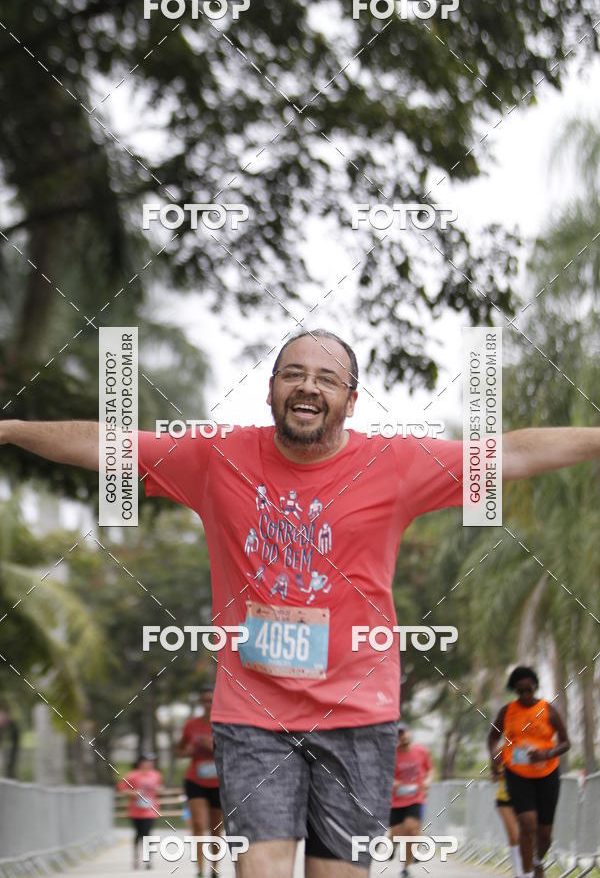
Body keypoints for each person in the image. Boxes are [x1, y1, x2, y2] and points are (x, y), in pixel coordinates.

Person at [2, 328, 598, 878]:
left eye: (327, 378)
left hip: (359, 717)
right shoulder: (216, 456)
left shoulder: (394, 464)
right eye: (293, 373)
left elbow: (510, 454)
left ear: (351, 399)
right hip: (252, 715)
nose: (308, 385)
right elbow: (109, 445)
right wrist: (9, 430)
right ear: (271, 390)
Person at [488, 666, 570, 878]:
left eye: (529, 690)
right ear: (514, 690)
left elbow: (566, 742)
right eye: (520, 691)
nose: (525, 695)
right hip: (517, 773)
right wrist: (493, 758)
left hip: (547, 774)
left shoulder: (548, 710)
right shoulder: (507, 711)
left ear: (535, 687)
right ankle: (525, 873)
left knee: (544, 834)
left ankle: (537, 860)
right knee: (527, 824)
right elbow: (492, 737)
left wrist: (546, 754)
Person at [176, 685, 222, 878]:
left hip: (219, 782)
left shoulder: (223, 723)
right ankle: (200, 870)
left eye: (210, 700)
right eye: (203, 700)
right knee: (197, 824)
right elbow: (178, 751)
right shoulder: (191, 725)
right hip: (195, 780)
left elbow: (233, 754)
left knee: (216, 829)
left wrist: (212, 747)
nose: (206, 703)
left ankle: (214, 868)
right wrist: (191, 750)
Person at [388, 724, 433, 878]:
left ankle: (405, 868)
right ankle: (392, 845)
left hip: (416, 798)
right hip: (397, 800)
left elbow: (430, 770)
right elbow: (386, 775)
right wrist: (394, 783)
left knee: (411, 830)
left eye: (405, 733)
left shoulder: (421, 751)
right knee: (396, 833)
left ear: (409, 733)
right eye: (399, 734)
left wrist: (428, 781)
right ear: (396, 737)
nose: (403, 736)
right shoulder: (392, 754)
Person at [117, 753, 162, 871]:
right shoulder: (132, 775)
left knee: (147, 833)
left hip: (150, 810)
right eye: (147, 761)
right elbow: (121, 788)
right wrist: (133, 793)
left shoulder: (156, 775)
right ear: (141, 762)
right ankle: (136, 857)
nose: (150, 763)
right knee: (138, 834)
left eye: (152, 761)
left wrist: (159, 789)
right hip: (136, 810)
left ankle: (148, 860)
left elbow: (158, 788)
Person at [494, 756, 522, 878]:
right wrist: (503, 773)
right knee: (515, 835)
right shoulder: (501, 751)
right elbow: (494, 777)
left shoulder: (528, 747)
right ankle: (519, 872)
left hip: (524, 797)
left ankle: (522, 871)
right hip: (504, 799)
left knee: (520, 837)